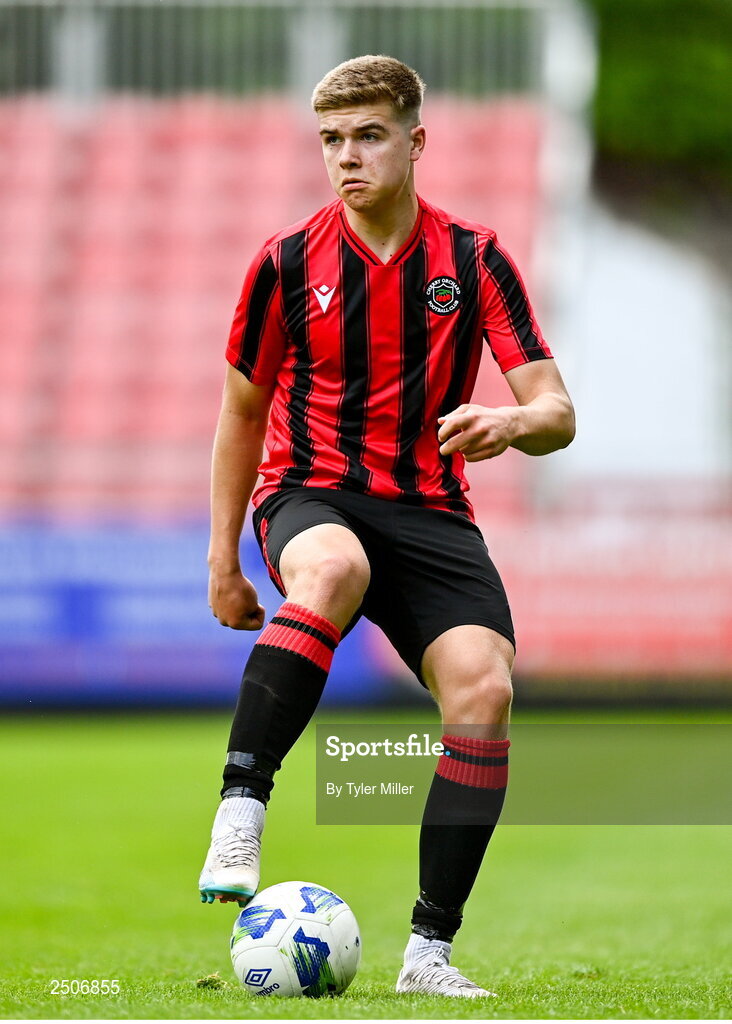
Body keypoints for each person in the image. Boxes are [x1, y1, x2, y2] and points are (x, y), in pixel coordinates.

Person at [199, 54, 575, 998]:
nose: (347, 157)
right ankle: (243, 805)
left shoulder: (474, 260)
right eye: (331, 139)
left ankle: (427, 955)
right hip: (311, 490)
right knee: (329, 573)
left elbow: (555, 409)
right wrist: (221, 561)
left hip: (431, 509)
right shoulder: (286, 262)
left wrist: (512, 421)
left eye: (368, 136)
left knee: (484, 691)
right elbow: (242, 413)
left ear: (415, 141)